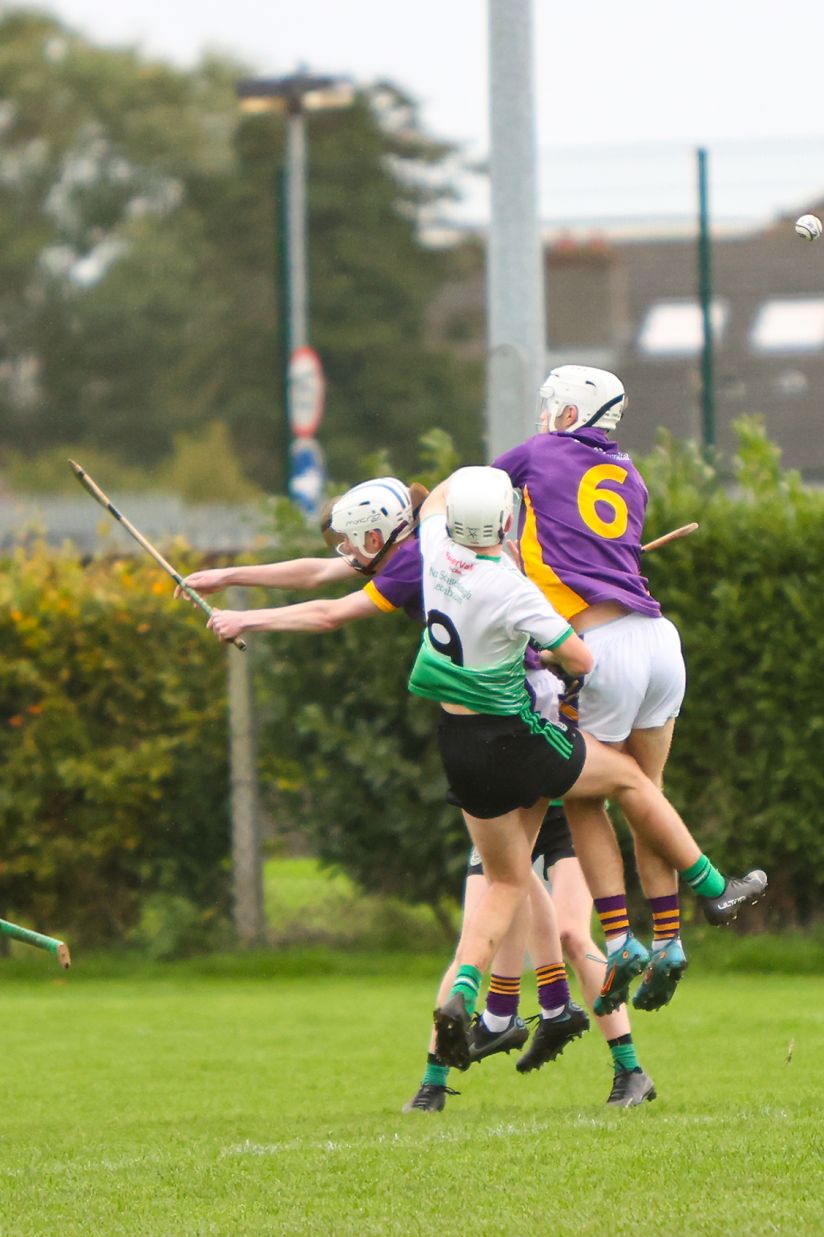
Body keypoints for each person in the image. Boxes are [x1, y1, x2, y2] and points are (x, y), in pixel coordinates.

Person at [180, 477, 604, 1108]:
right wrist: (229, 576)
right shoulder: (417, 542)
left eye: (356, 544)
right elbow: (321, 572)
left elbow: (329, 611)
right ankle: (542, 1007)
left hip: (511, 719)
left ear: (379, 535)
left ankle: (513, 1021)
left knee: (506, 880)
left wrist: (248, 618)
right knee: (516, 875)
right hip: (498, 716)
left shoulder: (413, 562)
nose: (348, 554)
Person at [408, 465, 766, 1070]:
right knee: (627, 777)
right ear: (504, 521)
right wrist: (542, 643)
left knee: (503, 882)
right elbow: (579, 657)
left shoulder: (436, 551)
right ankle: (713, 886)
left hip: (459, 747)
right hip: (517, 740)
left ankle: (465, 995)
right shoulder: (514, 588)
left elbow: (433, 503)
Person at [491, 365, 766, 1016]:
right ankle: (667, 940)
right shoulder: (631, 475)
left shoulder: (537, 453)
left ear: (567, 413)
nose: (542, 415)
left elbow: (477, 497)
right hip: (658, 642)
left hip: (605, 649)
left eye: (549, 405)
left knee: (588, 798)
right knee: (646, 792)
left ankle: (623, 937)